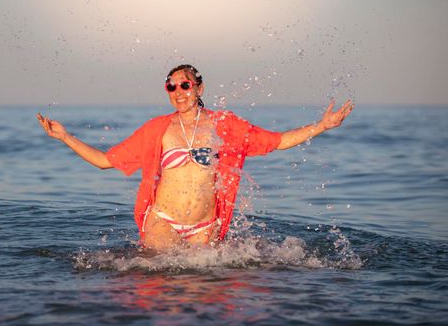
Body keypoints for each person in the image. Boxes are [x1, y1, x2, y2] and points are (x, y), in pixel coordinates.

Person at [37, 64, 353, 251]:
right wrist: (65, 136)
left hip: (206, 226)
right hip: (162, 223)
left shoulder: (225, 125)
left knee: (206, 296)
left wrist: (322, 126)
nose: (178, 91)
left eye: (185, 84)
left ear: (199, 87)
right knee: (160, 291)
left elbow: (277, 141)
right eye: (171, 86)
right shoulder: (157, 129)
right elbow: (105, 161)